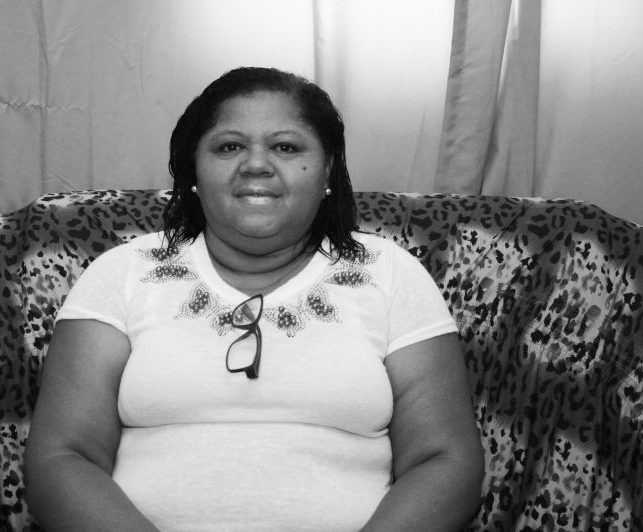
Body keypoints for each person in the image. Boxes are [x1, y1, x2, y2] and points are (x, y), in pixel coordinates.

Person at [24, 66, 484, 531]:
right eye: (229, 147)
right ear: (194, 169)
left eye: (286, 147)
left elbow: (444, 460)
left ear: (327, 168)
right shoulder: (123, 272)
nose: (256, 164)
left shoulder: (390, 273)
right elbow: (63, 457)